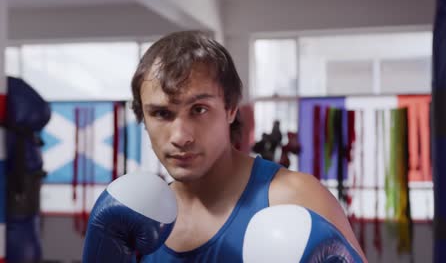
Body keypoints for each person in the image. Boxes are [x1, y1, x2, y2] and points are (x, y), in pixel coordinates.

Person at [129, 30, 366, 262]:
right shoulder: (139, 217)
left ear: (231, 109)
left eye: (199, 109)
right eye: (161, 113)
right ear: (143, 118)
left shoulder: (295, 197)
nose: (180, 137)